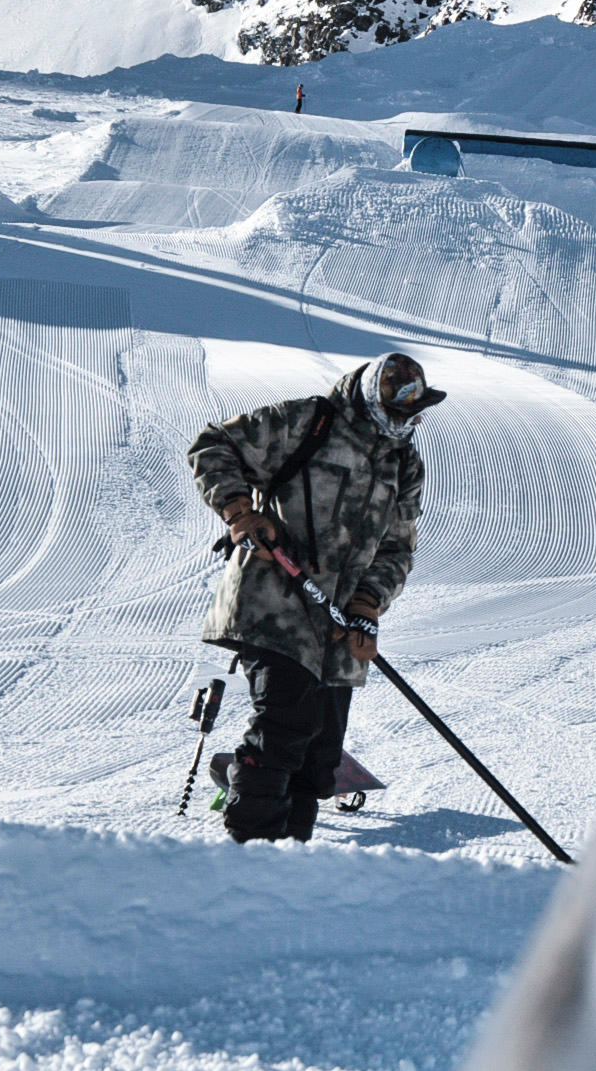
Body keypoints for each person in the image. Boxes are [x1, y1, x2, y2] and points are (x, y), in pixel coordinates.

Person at [187, 352, 443, 843]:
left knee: (320, 759)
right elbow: (213, 445)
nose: (402, 422)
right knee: (286, 727)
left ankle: (292, 868)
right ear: (371, 397)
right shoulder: (311, 421)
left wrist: (367, 607)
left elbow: (396, 547)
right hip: (275, 600)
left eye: (411, 413)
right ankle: (251, 857)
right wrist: (241, 511)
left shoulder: (403, 461)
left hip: (337, 624)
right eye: (395, 409)